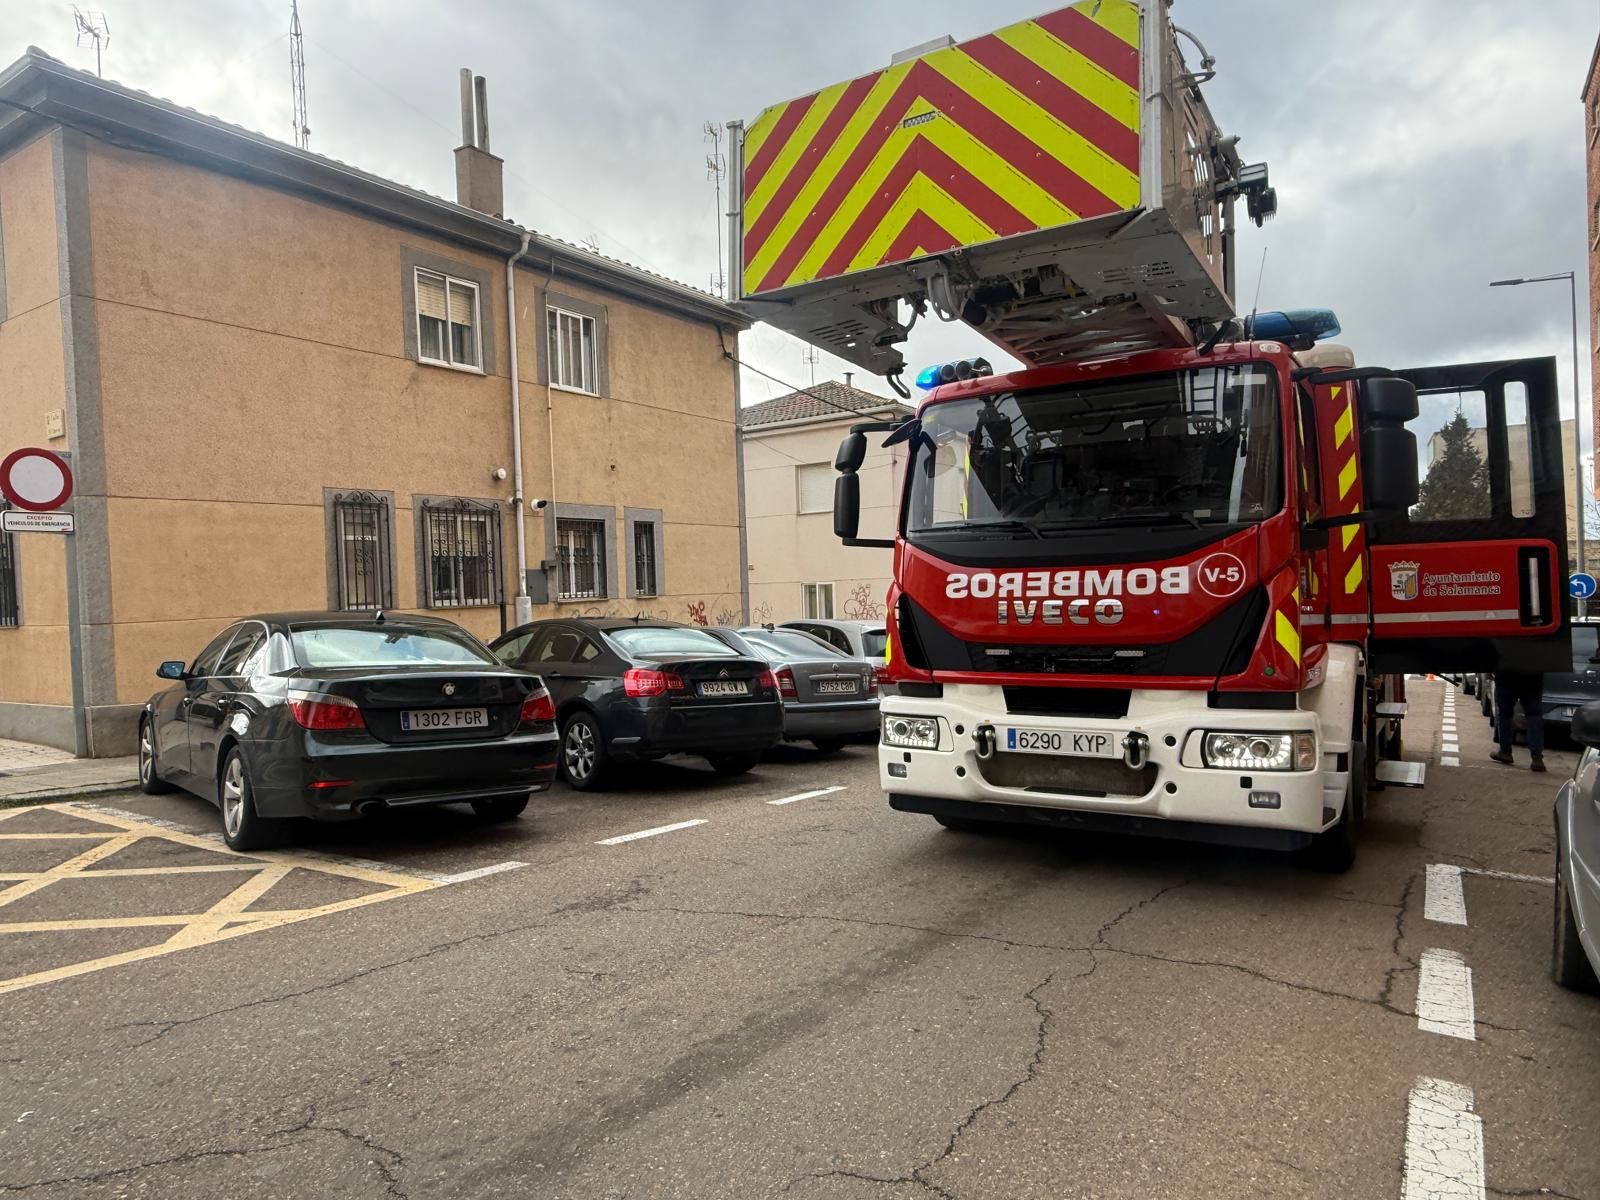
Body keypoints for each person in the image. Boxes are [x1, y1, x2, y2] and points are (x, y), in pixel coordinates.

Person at [1490, 671, 1546, 773]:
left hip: (1507, 674)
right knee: (1534, 716)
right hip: (1532, 675)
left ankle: (1505, 751)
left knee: (1505, 714)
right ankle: (1537, 758)